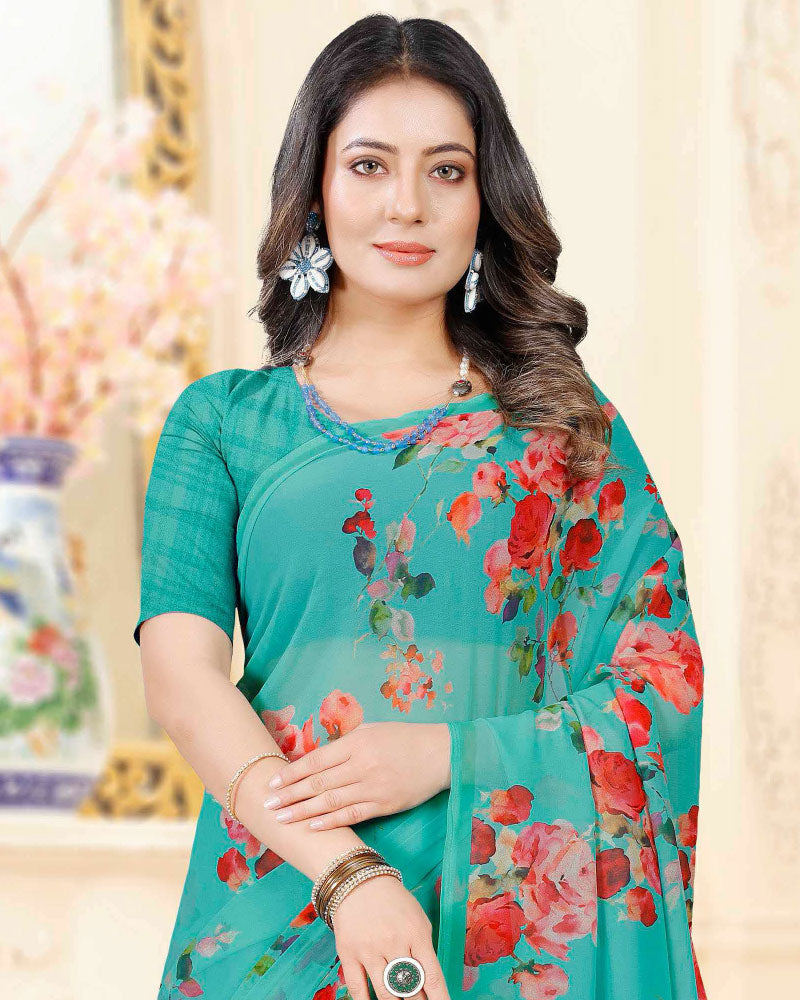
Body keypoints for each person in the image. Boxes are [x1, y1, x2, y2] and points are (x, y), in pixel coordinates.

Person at [134, 13, 707, 1000]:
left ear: (485, 201)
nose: (406, 204)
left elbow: (661, 680)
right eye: (368, 166)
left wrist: (450, 753)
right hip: (282, 903)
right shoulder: (222, 424)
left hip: (509, 925)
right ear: (314, 190)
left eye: (446, 170)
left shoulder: (562, 429)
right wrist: (347, 874)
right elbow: (183, 682)